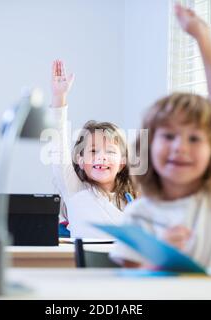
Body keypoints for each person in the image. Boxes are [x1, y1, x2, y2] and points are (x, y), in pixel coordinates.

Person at [110, 4, 211, 269]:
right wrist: (160, 259)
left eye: (194, 139)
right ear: (147, 147)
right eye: (168, 136)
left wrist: (203, 39)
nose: (180, 147)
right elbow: (130, 289)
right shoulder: (138, 217)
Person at [49, 60, 137, 238]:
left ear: (121, 163)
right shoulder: (75, 190)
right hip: (87, 264)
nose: (101, 157)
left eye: (110, 152)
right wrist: (60, 97)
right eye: (93, 151)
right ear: (80, 161)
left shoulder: (131, 202)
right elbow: (58, 146)